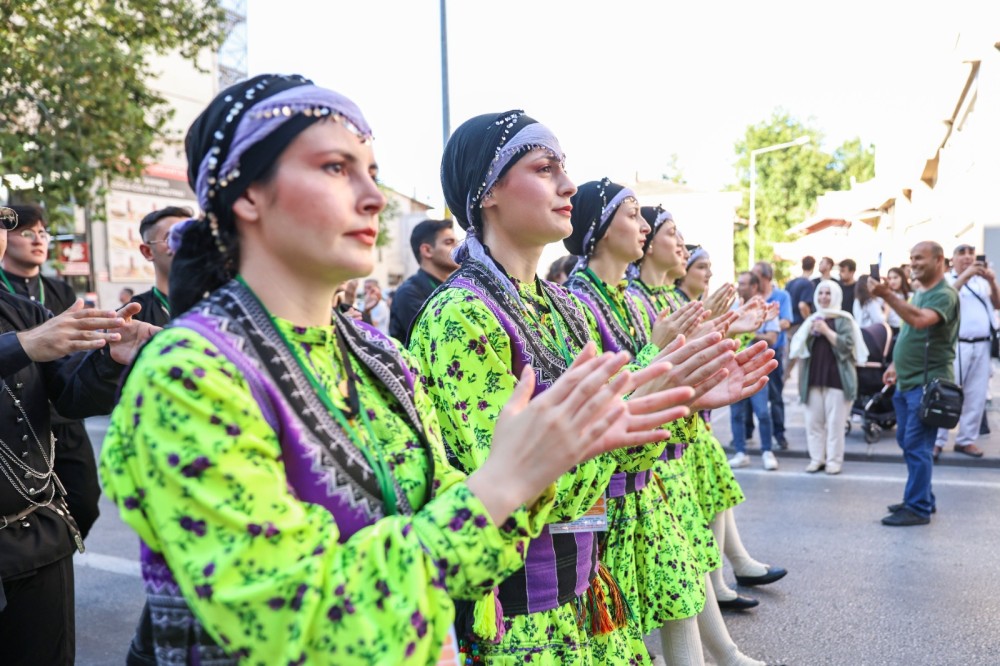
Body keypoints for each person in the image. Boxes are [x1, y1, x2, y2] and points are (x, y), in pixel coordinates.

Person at [98, 76, 683, 665]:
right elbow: (294, 614)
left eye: (371, 173)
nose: (373, 197)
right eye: (334, 168)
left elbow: (467, 526)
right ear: (248, 194)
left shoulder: (379, 356)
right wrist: (506, 483)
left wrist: (545, 463)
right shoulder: (190, 376)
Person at [0, 207, 156, 665]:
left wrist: (109, 362)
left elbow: (69, 398)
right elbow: (28, 348)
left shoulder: (24, 310)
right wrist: (22, 347)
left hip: (34, 539)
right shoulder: (27, 330)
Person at [1, 204, 102, 539]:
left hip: (60, 419)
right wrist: (26, 344)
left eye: (42, 232)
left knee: (84, 502)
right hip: (19, 421)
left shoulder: (57, 291)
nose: (38, 240)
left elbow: (73, 369)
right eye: (26, 232)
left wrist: (110, 358)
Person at [870, 241, 958, 526]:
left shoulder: (944, 294)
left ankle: (918, 507)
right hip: (908, 382)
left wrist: (888, 294)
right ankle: (922, 498)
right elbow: (909, 330)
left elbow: (920, 321)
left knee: (917, 444)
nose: (914, 263)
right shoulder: (921, 292)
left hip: (928, 385)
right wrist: (895, 364)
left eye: (920, 258)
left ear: (939, 260)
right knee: (907, 442)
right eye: (912, 258)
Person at [789, 280, 866, 475]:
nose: (824, 297)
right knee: (813, 423)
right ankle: (817, 459)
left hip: (837, 380)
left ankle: (833, 461)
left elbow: (847, 347)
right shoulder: (812, 319)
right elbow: (799, 347)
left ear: (836, 296)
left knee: (835, 425)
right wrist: (811, 334)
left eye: (828, 293)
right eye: (821, 293)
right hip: (813, 378)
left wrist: (826, 331)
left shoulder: (844, 320)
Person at [933, 243, 1000, 459]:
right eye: (962, 253)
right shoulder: (947, 280)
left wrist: (991, 280)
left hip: (982, 344)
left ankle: (966, 440)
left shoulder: (982, 282)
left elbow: (997, 304)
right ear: (952, 258)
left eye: (971, 253)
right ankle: (938, 440)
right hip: (957, 344)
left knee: (976, 395)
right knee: (947, 393)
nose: (968, 257)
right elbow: (948, 298)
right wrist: (967, 275)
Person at [728, 271, 779, 471]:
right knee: (737, 414)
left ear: (754, 287)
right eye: (739, 283)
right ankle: (740, 452)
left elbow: (773, 338)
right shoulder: (734, 307)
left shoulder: (766, 308)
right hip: (734, 368)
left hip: (757, 369)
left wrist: (749, 330)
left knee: (763, 412)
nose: (740, 287)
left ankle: (767, 451)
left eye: (744, 284)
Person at [388, 218, 459, 342]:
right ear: (427, 250)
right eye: (449, 242)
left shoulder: (454, 288)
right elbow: (444, 340)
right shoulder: (409, 293)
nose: (458, 248)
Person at [751, 261, 791, 450]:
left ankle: (779, 434)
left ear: (766, 277)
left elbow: (786, 321)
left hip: (773, 351)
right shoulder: (753, 296)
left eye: (755, 274)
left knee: (775, 395)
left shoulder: (781, 296)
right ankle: (747, 431)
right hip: (752, 353)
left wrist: (767, 325)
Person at [130, 206, 192, 327]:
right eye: (174, 238)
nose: (188, 244)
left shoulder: (225, 303)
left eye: (192, 236)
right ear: (147, 252)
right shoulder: (132, 317)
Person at [784, 256, 817, 381]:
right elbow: (802, 305)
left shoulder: (791, 282)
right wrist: (809, 319)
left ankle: (777, 393)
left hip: (788, 325)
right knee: (800, 359)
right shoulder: (808, 284)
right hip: (798, 325)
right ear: (813, 266)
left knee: (786, 360)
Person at [885, 266, 911, 335]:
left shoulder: (911, 295)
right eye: (889, 278)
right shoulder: (885, 295)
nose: (892, 281)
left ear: (902, 278)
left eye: (895, 277)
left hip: (907, 331)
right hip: (890, 331)